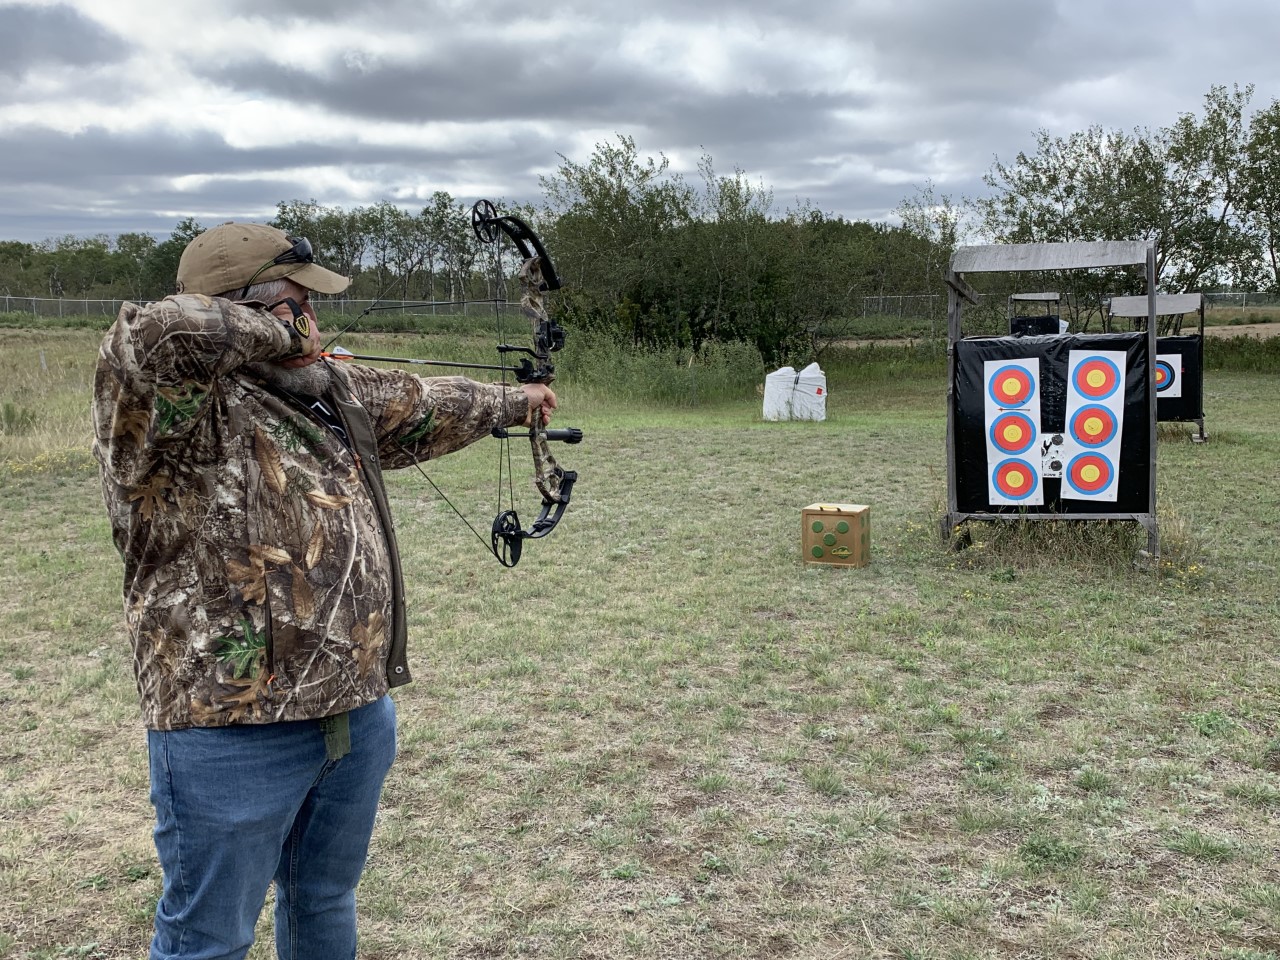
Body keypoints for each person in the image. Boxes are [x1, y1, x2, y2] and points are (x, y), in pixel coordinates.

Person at [91, 222, 557, 960]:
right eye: (301, 301)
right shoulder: (164, 407)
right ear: (259, 311)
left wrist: (519, 399)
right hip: (231, 728)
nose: (316, 317)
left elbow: (423, 402)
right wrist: (282, 333)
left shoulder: (323, 389)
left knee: (323, 899)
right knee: (208, 937)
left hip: (353, 713)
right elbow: (164, 328)